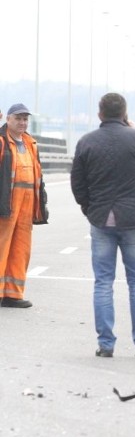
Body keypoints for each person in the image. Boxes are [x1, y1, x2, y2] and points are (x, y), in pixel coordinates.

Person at [71, 93, 135, 358]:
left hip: (101, 219)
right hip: (133, 219)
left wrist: (90, 208)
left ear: (100, 114)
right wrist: (134, 131)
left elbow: (77, 182)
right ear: (124, 113)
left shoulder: (86, 141)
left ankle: (106, 345)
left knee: (103, 282)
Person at [1, 104, 49, 309]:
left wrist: (42, 203)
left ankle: (13, 294)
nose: (22, 123)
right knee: (2, 247)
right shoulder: (3, 141)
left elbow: (38, 176)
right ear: (8, 119)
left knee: (21, 249)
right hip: (7, 203)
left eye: (25, 119)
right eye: (18, 118)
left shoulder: (30, 143)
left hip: (27, 203)